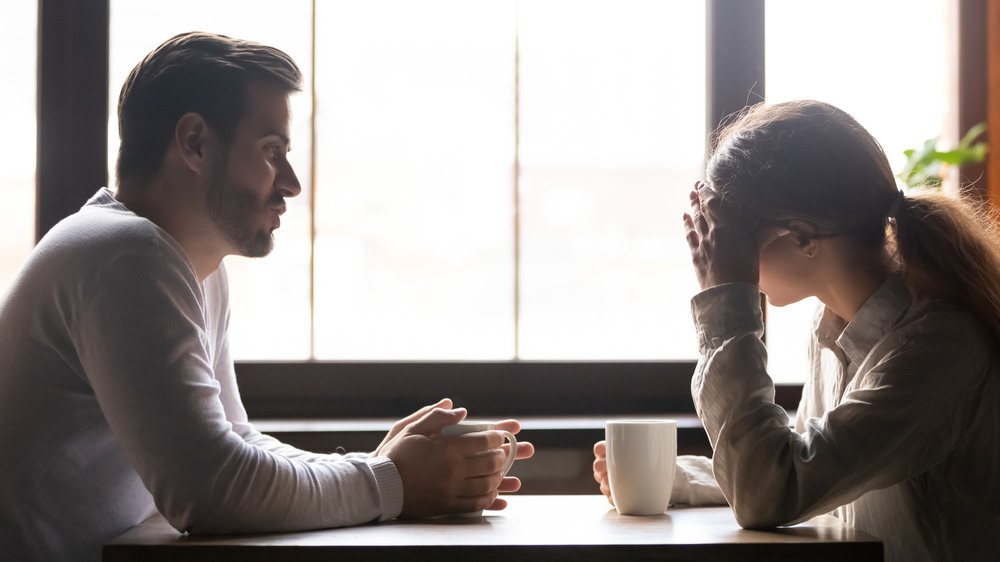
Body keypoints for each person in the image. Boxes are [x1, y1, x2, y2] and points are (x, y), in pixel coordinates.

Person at [0, 31, 532, 562]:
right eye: (271, 151)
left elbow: (234, 443)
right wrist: (390, 480)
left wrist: (385, 466)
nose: (293, 183)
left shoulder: (185, 265)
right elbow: (210, 491)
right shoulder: (124, 254)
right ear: (196, 143)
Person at [594, 100, 1000, 561]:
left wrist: (726, 299)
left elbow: (772, 492)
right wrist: (673, 478)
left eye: (729, 236)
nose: (713, 251)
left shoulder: (937, 348)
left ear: (803, 237)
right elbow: (808, 466)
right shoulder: (833, 326)